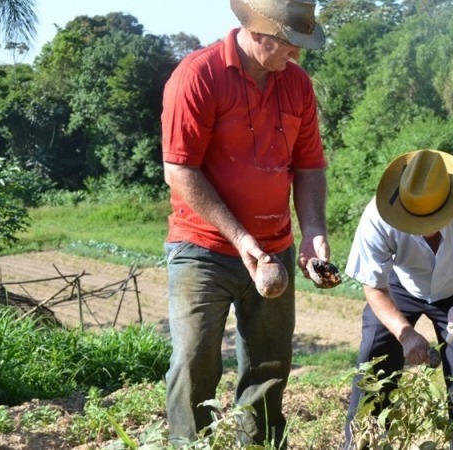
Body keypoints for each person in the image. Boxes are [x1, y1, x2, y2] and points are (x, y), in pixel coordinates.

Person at [160, 0, 331, 447]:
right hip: (204, 249)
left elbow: (310, 166)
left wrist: (313, 233)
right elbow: (180, 170)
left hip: (275, 246)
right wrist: (241, 239)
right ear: (259, 33)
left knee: (269, 366)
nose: (296, 55)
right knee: (195, 359)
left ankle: (260, 446)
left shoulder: (296, 84)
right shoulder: (198, 76)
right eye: (290, 45)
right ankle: (190, 446)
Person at [342, 150, 453, 450]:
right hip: (400, 285)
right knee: (374, 360)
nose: (425, 229)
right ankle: (361, 443)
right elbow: (373, 285)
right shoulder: (377, 216)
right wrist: (405, 333)